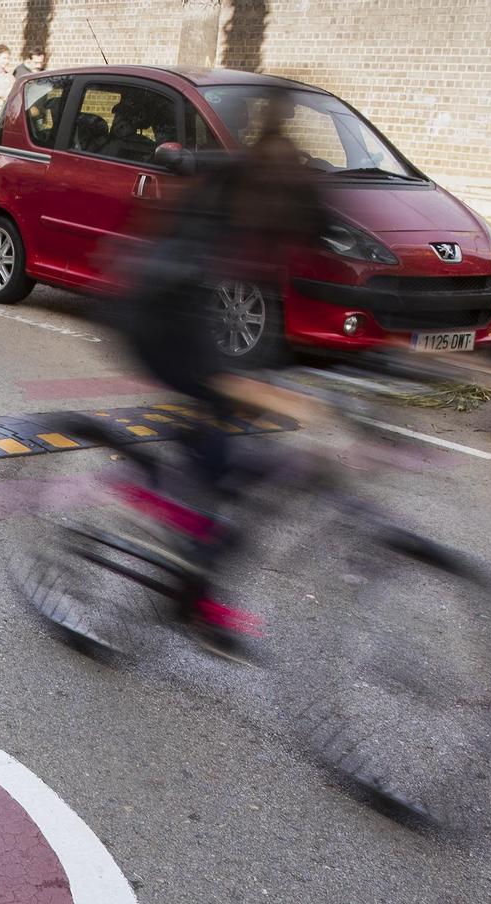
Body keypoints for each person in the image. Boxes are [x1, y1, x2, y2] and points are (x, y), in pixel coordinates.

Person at [112, 89, 329, 659]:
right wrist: (241, 385)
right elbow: (179, 307)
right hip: (155, 318)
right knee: (218, 464)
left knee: (247, 469)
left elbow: (324, 275)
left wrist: (409, 361)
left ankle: (187, 513)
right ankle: (192, 586)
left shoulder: (283, 204)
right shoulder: (213, 209)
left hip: (210, 334)